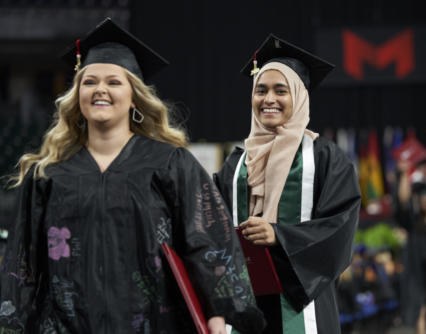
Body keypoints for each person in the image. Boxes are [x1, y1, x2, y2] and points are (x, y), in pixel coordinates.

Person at [0, 18, 265, 334]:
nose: (100, 90)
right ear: (77, 94)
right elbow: (23, 263)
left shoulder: (170, 163)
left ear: (134, 96)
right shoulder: (49, 174)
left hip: (154, 324)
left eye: (114, 82)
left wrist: (219, 312)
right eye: (89, 82)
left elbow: (205, 239)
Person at [214, 34, 361, 334]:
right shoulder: (237, 162)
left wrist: (278, 236)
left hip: (303, 305)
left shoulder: (325, 158)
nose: (268, 99)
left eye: (281, 90)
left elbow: (340, 227)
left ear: (299, 97)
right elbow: (209, 221)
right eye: (261, 90)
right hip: (246, 303)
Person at [395, 161, 426, 334]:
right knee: (420, 309)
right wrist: (404, 175)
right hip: (417, 272)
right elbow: (403, 201)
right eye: (425, 200)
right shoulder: (414, 222)